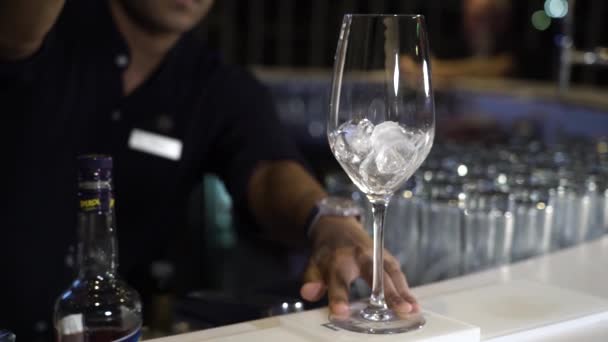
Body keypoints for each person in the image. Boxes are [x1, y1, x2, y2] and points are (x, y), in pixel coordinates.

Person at [0, 0, 419, 340]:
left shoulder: (215, 86)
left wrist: (330, 222)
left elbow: (270, 172)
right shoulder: (41, 29)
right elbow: (16, 36)